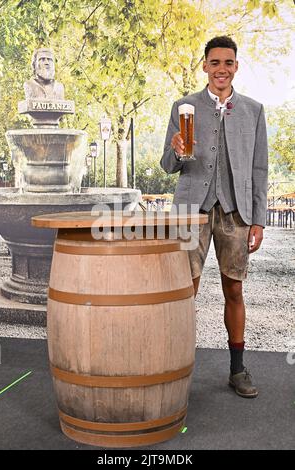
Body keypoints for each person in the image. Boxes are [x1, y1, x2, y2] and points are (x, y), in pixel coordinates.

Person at [160, 36, 268, 398]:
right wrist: (176, 151)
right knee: (185, 289)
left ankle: (237, 370)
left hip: (235, 212)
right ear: (204, 66)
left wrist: (259, 219)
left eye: (228, 63)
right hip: (192, 210)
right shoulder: (184, 106)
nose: (221, 69)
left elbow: (259, 169)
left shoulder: (253, 110)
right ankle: (174, 366)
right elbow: (167, 165)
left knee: (234, 288)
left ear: (236, 66)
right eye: (215, 62)